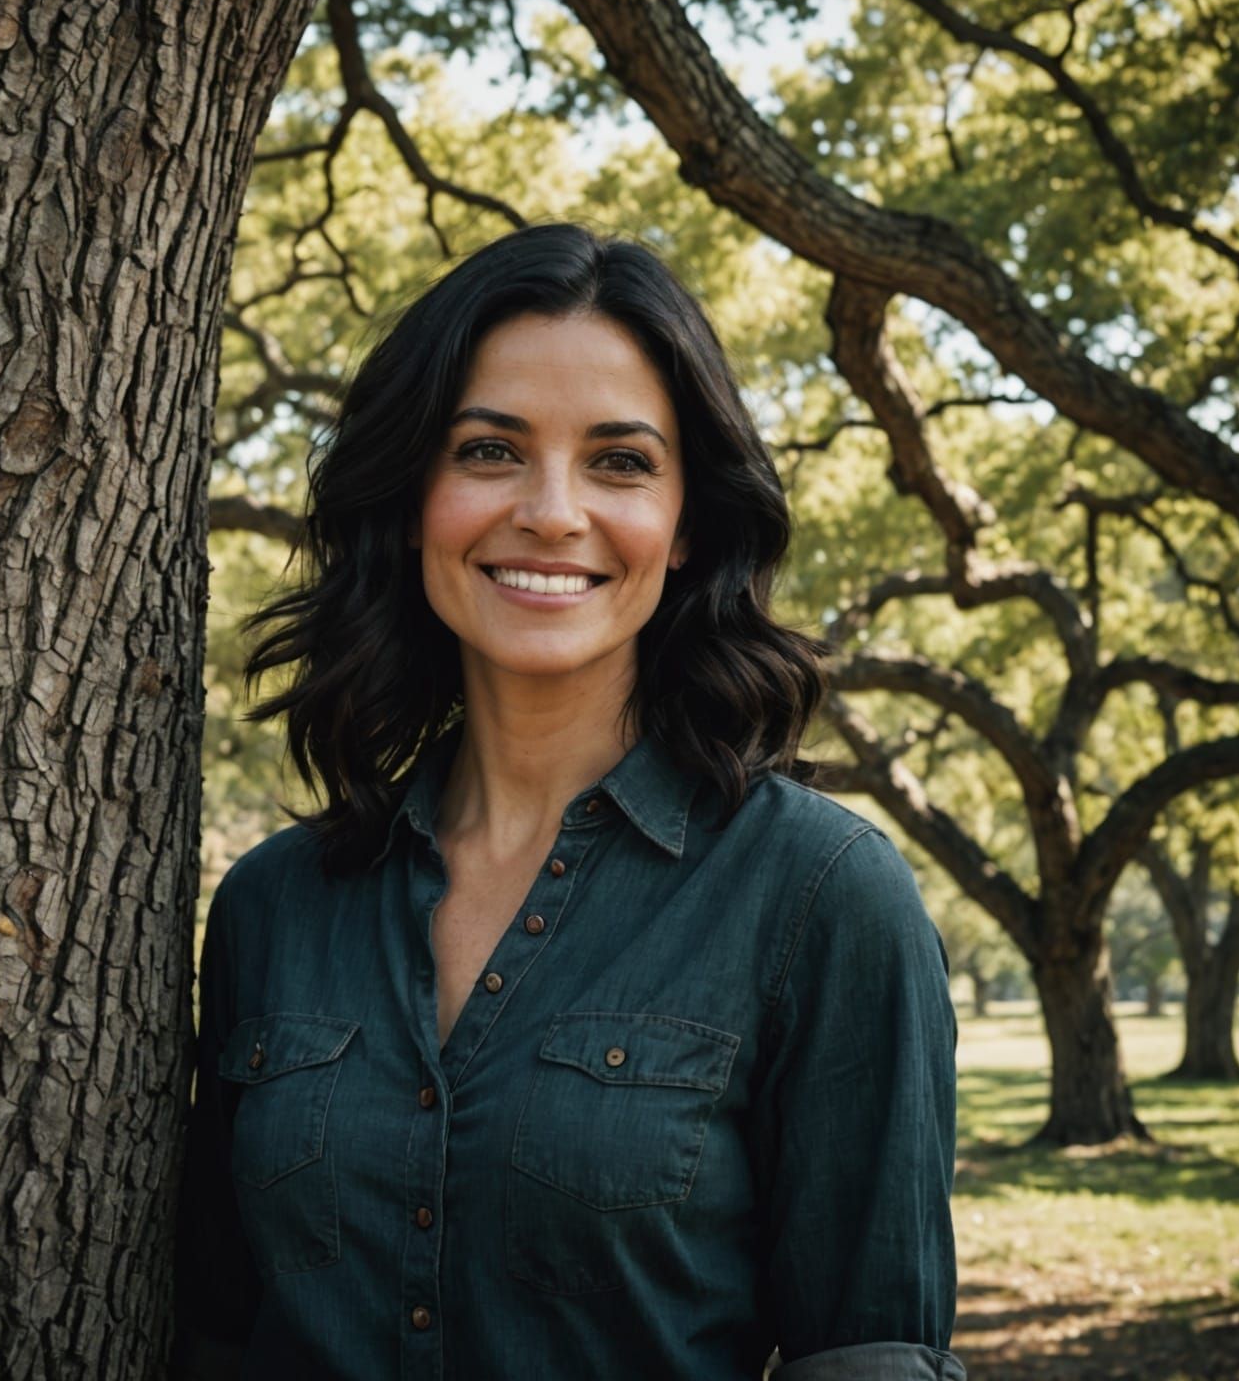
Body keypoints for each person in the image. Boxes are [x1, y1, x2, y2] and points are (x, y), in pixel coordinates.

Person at [171, 222, 965, 1380]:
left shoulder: (824, 899)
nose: (551, 511)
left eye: (620, 461)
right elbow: (215, 1339)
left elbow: (871, 1357)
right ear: (412, 493)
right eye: (490, 450)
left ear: (689, 523)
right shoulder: (274, 907)